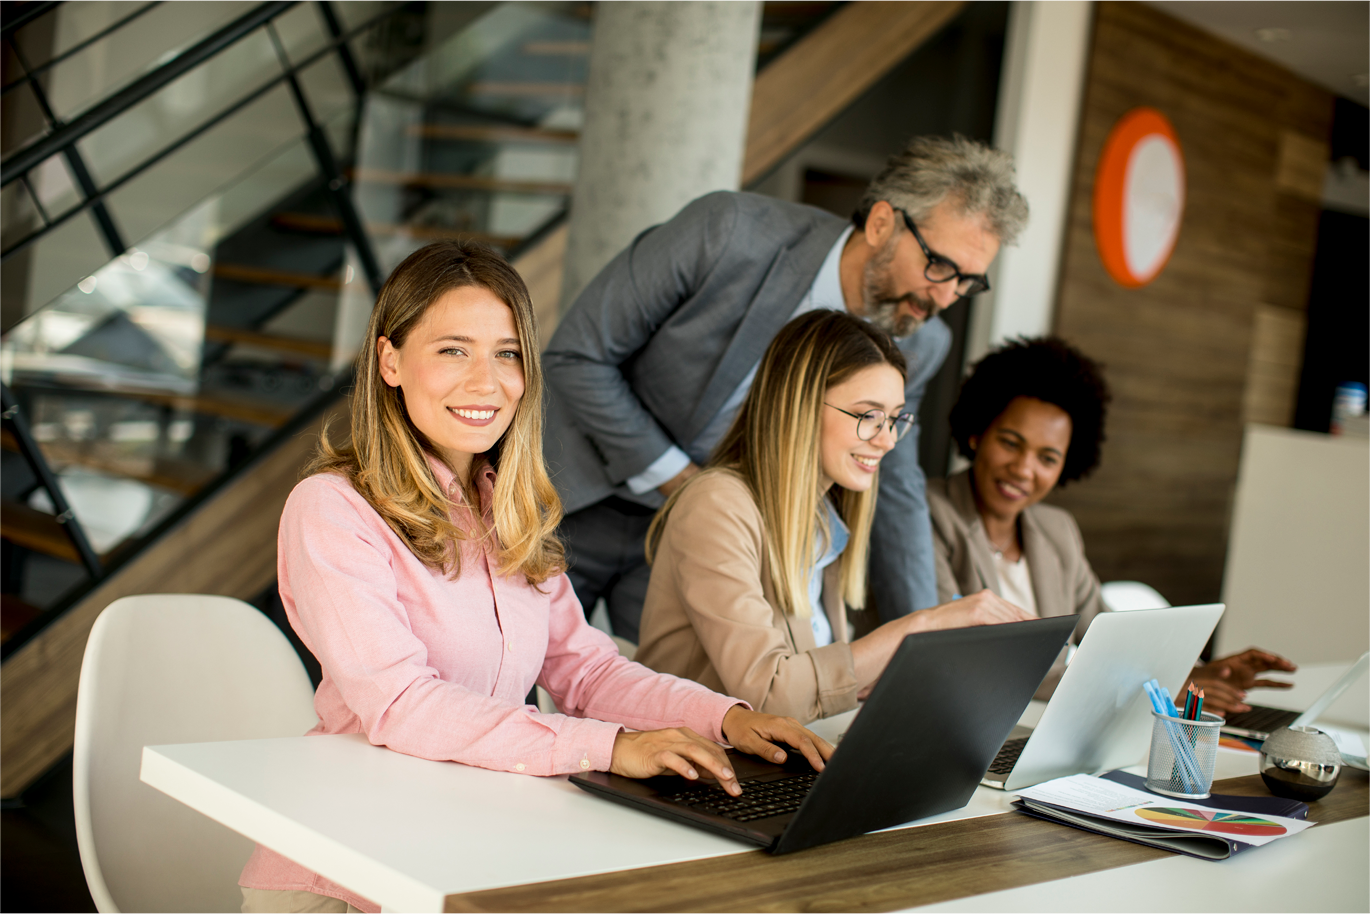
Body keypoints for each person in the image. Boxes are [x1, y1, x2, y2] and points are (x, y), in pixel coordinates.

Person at [237, 242, 832, 914]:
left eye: (508, 353)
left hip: (478, 844)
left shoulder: (508, 512)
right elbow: (401, 704)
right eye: (453, 349)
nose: (486, 381)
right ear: (390, 361)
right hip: (349, 873)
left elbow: (588, 672)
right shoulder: (333, 508)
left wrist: (726, 718)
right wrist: (610, 745)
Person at [543, 135, 1029, 643]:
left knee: (668, 705)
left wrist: (929, 637)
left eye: (968, 282)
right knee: (510, 687)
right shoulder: (728, 231)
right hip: (576, 495)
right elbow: (578, 355)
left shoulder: (923, 342)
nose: (946, 296)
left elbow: (898, 487)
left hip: (704, 548)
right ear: (882, 222)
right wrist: (686, 484)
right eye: (940, 267)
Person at [634, 310, 1032, 723]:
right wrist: (922, 626)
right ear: (799, 406)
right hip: (693, 767)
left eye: (895, 419)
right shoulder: (718, 505)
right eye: (868, 417)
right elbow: (770, 697)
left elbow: (815, 683)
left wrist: (875, 679)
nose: (888, 440)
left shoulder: (823, 519)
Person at [929, 336, 1296, 711]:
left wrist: (1199, 675)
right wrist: (1162, 687)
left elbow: (1107, 642)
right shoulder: (929, 514)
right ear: (977, 432)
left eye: (1047, 458)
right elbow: (959, 661)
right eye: (1010, 443)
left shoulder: (1056, 530)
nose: (1024, 469)